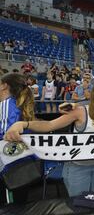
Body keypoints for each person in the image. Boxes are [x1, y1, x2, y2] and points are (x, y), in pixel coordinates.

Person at [5, 79, 94, 196]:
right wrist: (23, 124)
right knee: (80, 206)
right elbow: (49, 125)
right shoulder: (80, 111)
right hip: (78, 167)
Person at [0, 73, 35, 204]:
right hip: (21, 163)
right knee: (19, 203)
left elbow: (6, 135)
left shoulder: (7, 105)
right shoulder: (18, 103)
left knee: (9, 205)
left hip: (8, 167)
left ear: (4, 86)